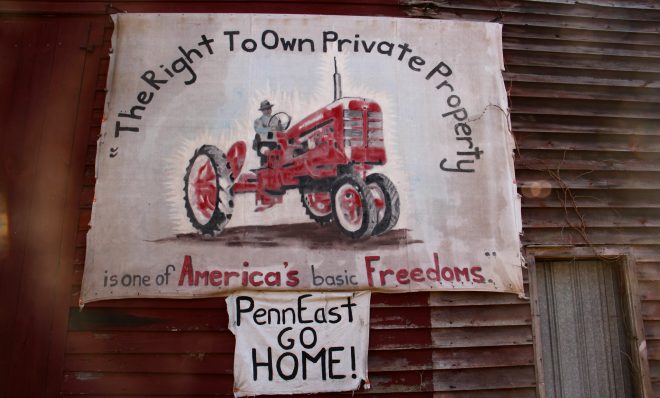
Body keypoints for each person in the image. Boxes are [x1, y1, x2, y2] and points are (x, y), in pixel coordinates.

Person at [253, 100, 283, 165]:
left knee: (279, 159)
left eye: (268, 108)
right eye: (265, 109)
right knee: (265, 161)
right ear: (262, 111)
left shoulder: (275, 119)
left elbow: (281, 130)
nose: (267, 110)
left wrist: (280, 128)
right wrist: (271, 128)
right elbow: (258, 130)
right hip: (264, 143)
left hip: (275, 143)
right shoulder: (259, 120)